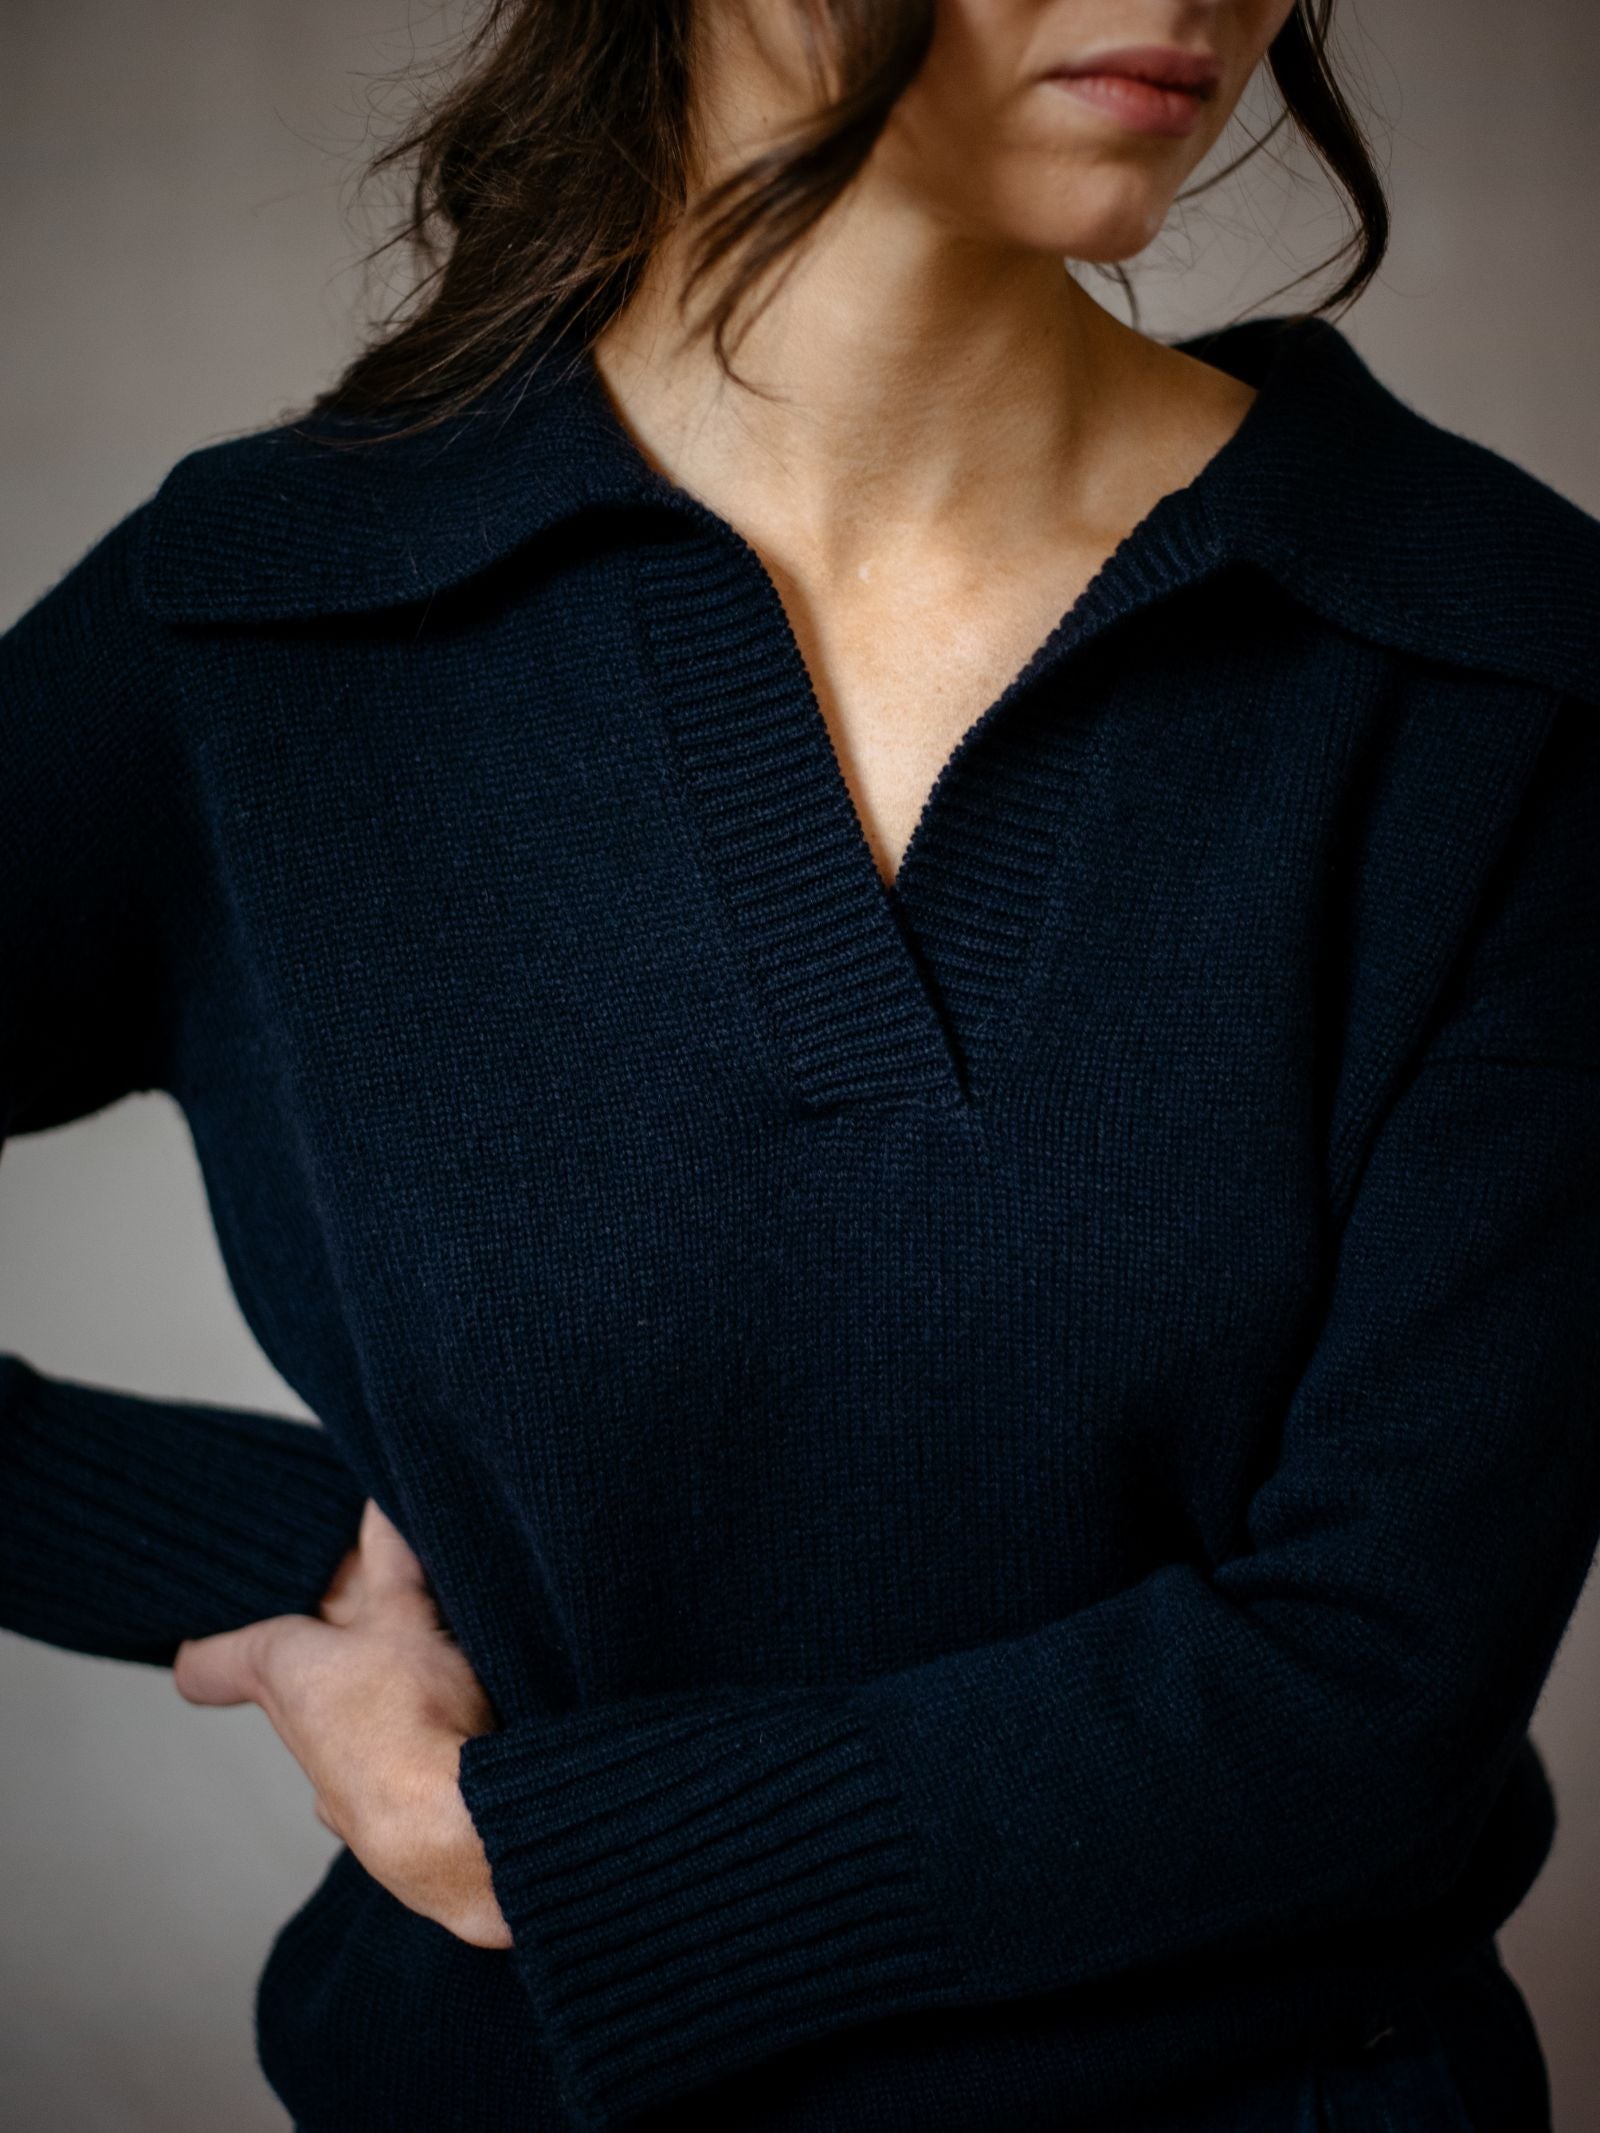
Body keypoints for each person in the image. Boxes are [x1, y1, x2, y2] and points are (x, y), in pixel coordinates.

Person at [3, 3, 1597, 2130]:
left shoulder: (1487, 657)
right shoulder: (269, 627)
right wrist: (300, 1558)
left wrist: (548, 1842)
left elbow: (1375, 1683)